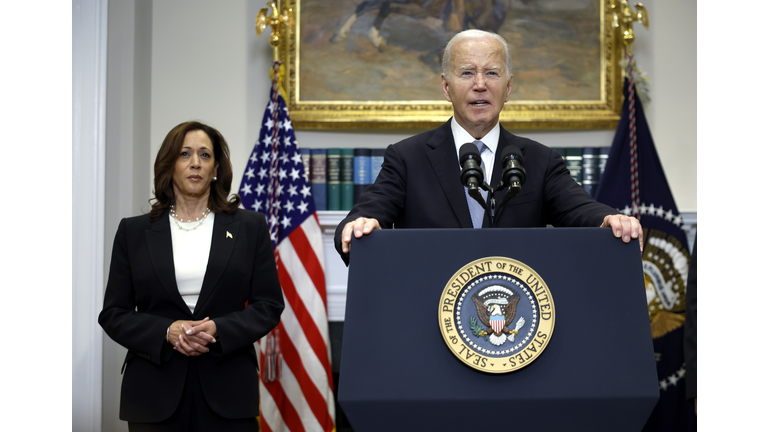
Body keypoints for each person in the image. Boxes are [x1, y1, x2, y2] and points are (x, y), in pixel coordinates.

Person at [334, 29, 642, 264]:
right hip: (429, 317)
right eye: (467, 73)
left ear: (507, 88)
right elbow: (363, 217)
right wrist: (359, 226)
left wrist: (609, 220)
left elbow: (582, 210)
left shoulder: (539, 160)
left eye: (492, 73)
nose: (480, 84)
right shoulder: (407, 158)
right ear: (446, 86)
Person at [99, 121, 285, 431]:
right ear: (169, 165)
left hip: (228, 390)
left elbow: (269, 305)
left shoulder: (250, 227)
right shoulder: (133, 232)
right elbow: (113, 314)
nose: (195, 162)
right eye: (184, 154)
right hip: (153, 393)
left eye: (205, 154)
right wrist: (166, 331)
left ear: (216, 168)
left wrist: (218, 328)